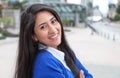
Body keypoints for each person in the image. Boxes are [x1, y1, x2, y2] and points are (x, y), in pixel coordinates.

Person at [14, 4, 93, 78]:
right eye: (43, 27)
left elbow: (88, 75)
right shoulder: (46, 62)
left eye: (53, 21)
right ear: (34, 36)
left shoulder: (64, 52)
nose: (53, 30)